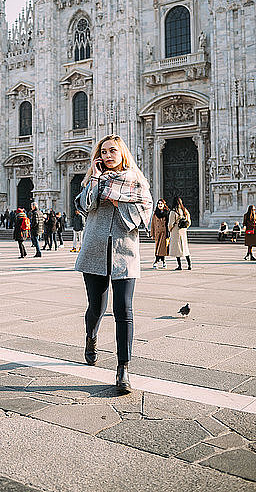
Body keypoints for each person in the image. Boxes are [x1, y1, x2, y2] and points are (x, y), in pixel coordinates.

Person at [75, 134, 153, 393]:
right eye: (103, 152)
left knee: (124, 310)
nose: (108, 156)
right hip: (95, 249)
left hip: (125, 251)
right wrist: (96, 179)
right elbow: (84, 206)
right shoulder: (92, 180)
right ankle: (91, 337)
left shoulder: (137, 181)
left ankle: (123, 369)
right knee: (96, 307)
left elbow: (144, 214)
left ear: (122, 154)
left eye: (112, 151)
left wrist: (118, 200)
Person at [168, 197, 191, 270]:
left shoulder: (173, 212)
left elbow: (170, 224)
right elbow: (189, 221)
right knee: (185, 249)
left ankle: (179, 266)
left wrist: (170, 229)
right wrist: (185, 227)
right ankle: (189, 265)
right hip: (183, 232)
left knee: (177, 249)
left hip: (176, 231)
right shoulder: (185, 211)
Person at [150, 199, 169, 269]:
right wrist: (152, 234)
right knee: (158, 248)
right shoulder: (155, 214)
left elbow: (168, 224)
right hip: (157, 233)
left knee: (161, 248)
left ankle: (157, 261)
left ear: (164, 205)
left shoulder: (167, 213)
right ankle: (163, 261)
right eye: (159, 203)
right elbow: (152, 224)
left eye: (161, 203)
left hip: (164, 233)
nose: (160, 205)